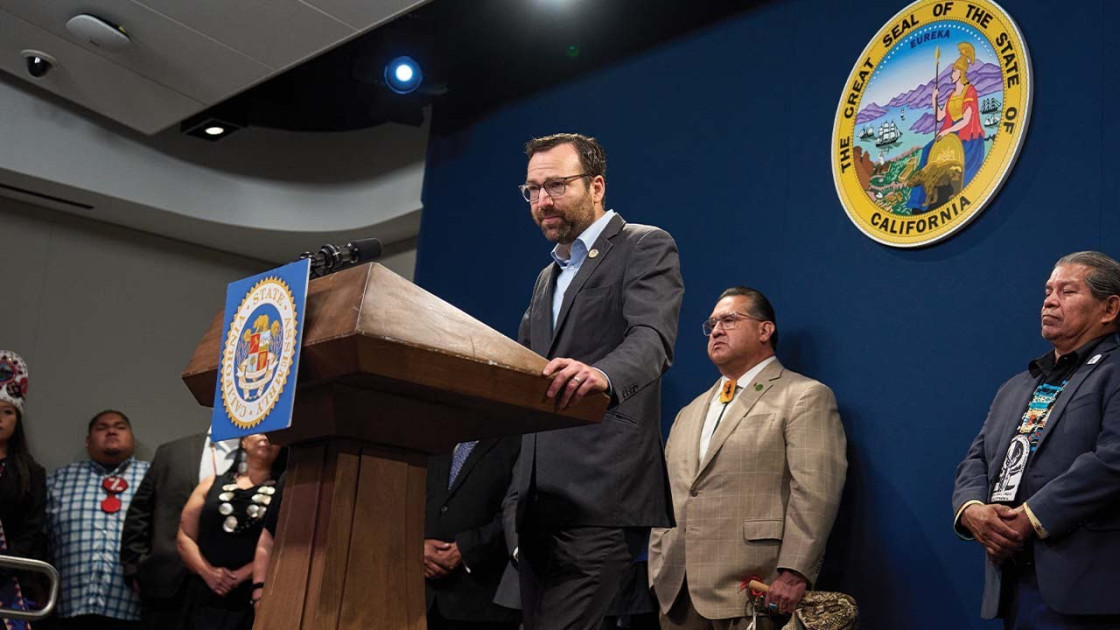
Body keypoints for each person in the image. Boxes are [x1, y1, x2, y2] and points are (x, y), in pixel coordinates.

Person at [506, 132, 684, 630]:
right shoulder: (547, 277)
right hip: (537, 509)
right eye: (533, 190)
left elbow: (652, 339)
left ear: (597, 186)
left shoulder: (644, 245)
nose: (543, 200)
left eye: (557, 185)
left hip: (599, 497)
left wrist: (602, 375)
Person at [648, 288, 847, 630]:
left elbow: (816, 490)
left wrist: (795, 570)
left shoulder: (803, 396)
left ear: (765, 330)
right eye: (711, 324)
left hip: (754, 590)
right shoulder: (687, 413)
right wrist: (658, 562)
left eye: (729, 319)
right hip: (677, 595)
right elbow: (666, 497)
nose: (717, 330)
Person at [953, 251, 1120, 628]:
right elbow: (976, 459)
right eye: (1048, 290)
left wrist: (1031, 517)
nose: (1049, 300)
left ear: (1109, 308)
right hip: (1013, 581)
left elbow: (1112, 460)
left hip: (1088, 588)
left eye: (1068, 291)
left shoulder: (1114, 372)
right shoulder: (1017, 386)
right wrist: (972, 510)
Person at [121, 429, 239, 629]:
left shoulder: (261, 449)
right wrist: (133, 568)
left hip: (227, 584)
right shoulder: (172, 451)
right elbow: (140, 511)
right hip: (164, 581)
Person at [45, 410, 150, 629]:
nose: (111, 430)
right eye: (101, 428)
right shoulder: (59, 479)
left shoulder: (153, 476)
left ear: (132, 437)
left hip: (134, 609)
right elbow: (39, 536)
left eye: (120, 427)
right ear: (87, 440)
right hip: (67, 608)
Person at [177, 433, 283, 630]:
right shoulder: (211, 483)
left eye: (274, 435)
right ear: (243, 441)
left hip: (248, 597)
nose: (266, 438)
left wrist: (239, 576)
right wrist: (208, 573)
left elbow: (277, 545)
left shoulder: (285, 491)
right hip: (202, 591)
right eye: (260, 431)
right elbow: (184, 535)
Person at [424, 436, 521, 630]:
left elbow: (518, 509)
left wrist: (466, 548)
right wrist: (415, 546)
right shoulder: (435, 434)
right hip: (420, 597)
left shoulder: (519, 438)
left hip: (482, 602)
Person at [907, 42, 986, 212]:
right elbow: (941, 116)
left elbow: (966, 120)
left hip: (967, 135)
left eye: (954, 72)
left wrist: (947, 131)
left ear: (961, 73)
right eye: (952, 71)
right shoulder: (951, 94)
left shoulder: (969, 91)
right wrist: (934, 100)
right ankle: (918, 201)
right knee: (927, 150)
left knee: (962, 161)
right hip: (951, 131)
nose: (951, 74)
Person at [0, 350, 46, 629]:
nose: (0, 419)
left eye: (6, 412)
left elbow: (33, 527)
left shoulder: (30, 473)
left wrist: (8, 563)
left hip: (12, 577)